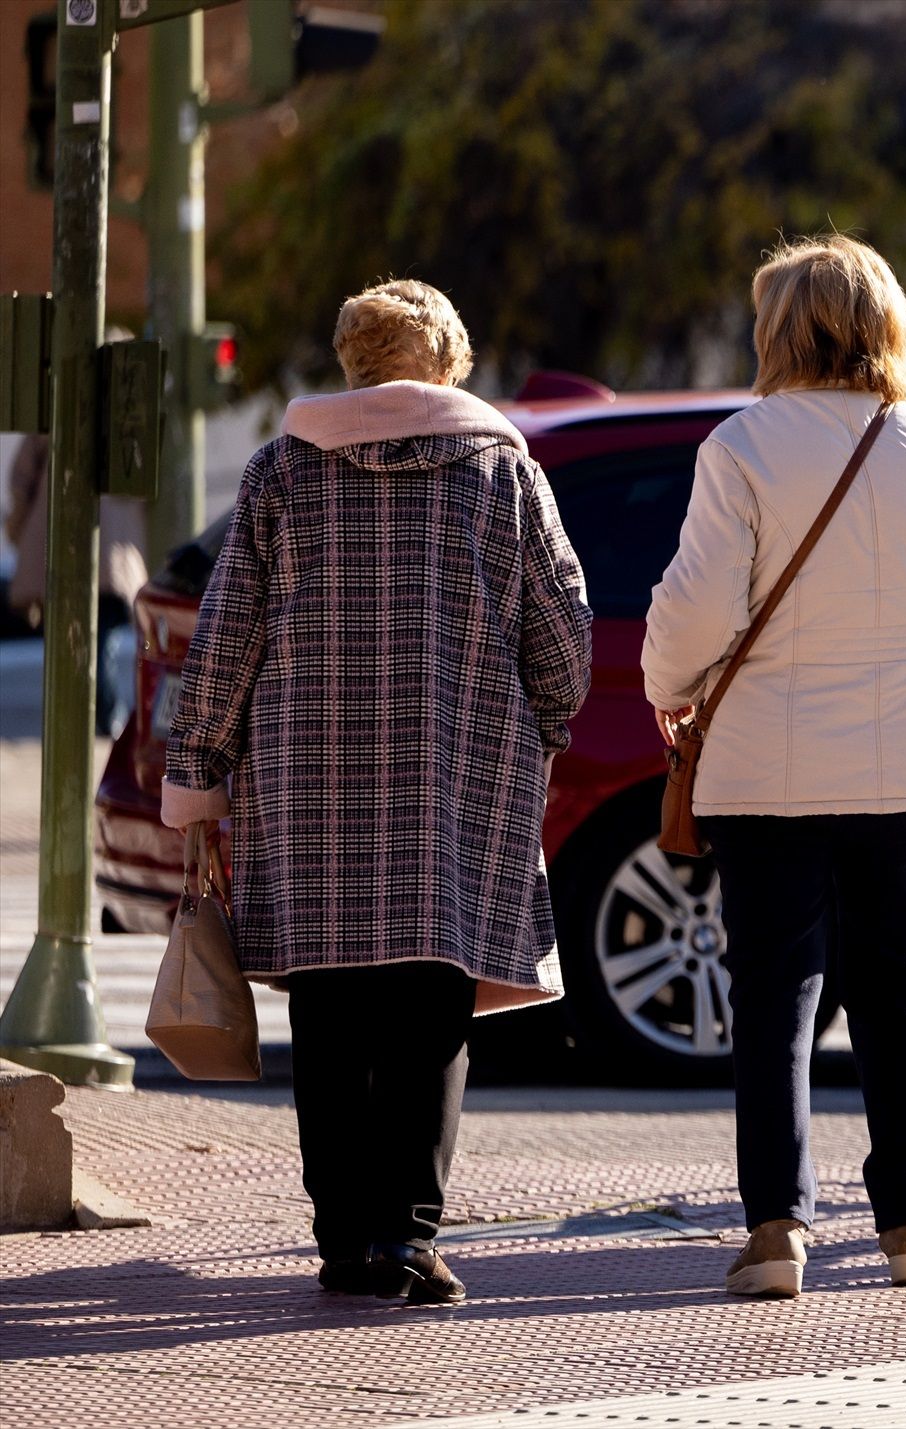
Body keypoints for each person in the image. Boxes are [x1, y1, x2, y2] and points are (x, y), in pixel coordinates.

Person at [162, 280, 592, 1302]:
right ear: (449, 363)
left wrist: (198, 776)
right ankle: (408, 1232)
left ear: (351, 362)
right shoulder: (506, 473)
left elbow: (226, 642)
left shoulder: (280, 474)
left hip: (307, 794)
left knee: (329, 1010)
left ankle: (344, 1236)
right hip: (459, 781)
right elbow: (563, 636)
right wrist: (541, 726)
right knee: (432, 1006)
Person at [643, 236, 906, 1299]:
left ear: (779, 329)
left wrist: (663, 680)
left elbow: (699, 606)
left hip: (765, 772)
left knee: (773, 995)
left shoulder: (743, 446)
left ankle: (777, 1232)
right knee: (900, 989)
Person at [6, 376, 150, 736]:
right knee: (102, 637)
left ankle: (90, 716)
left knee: (75, 639)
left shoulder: (54, 416)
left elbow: (20, 481)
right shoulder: (127, 425)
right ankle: (101, 715)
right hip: (114, 553)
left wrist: (17, 529)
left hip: (64, 546)